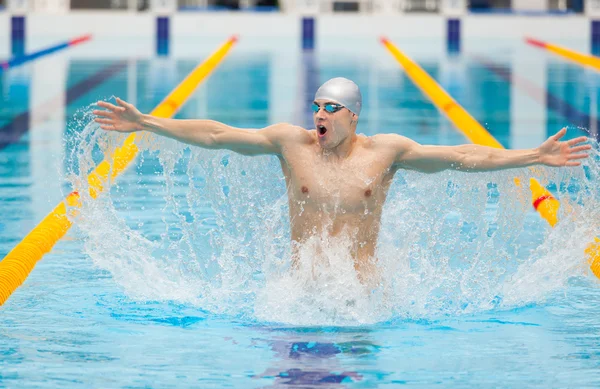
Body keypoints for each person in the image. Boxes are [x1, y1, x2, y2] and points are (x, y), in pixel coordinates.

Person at [94, 77, 591, 286]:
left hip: (363, 296)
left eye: (329, 108)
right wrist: (148, 122)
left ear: (352, 115)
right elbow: (219, 134)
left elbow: (462, 156)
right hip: (302, 291)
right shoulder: (293, 144)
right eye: (315, 106)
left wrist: (534, 156)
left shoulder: (387, 152)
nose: (318, 115)